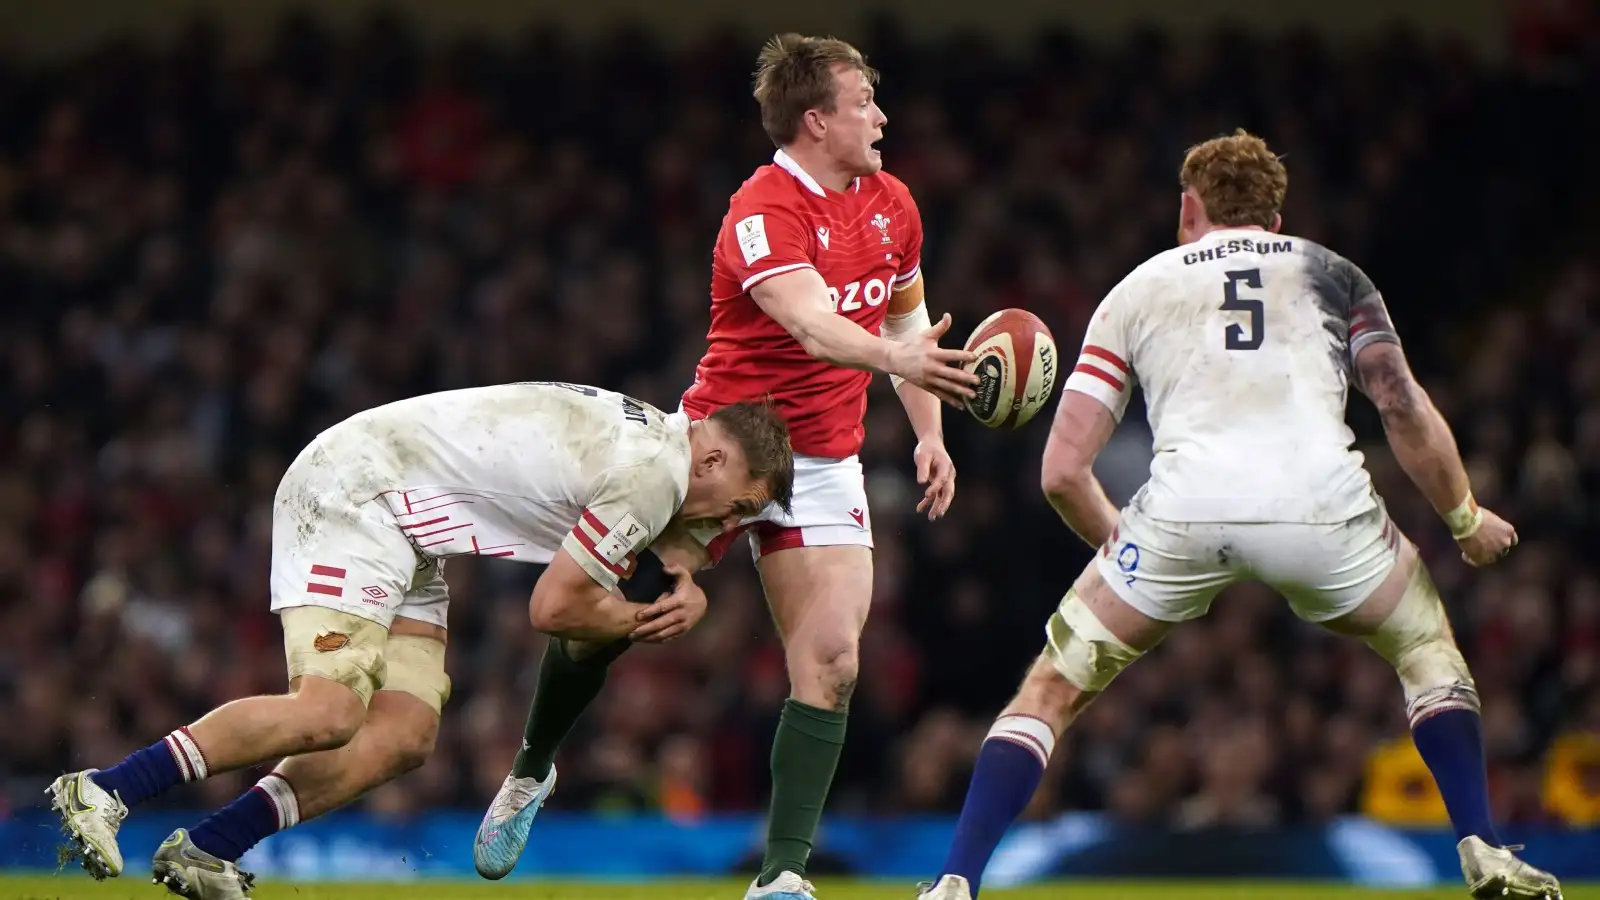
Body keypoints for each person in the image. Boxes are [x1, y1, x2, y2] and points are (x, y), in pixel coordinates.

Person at [916, 131, 1563, 900]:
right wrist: (1464, 518)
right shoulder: (1333, 274)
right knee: (1425, 648)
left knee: (1049, 691)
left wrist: (1126, 552)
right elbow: (1400, 403)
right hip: (1321, 507)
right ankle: (1482, 847)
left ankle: (955, 880)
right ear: (1276, 220)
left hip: (1184, 513)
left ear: (1188, 209)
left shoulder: (1137, 290)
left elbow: (1061, 473)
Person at [474, 34, 980, 900]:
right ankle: (532, 768)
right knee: (605, 616)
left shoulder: (893, 204)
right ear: (816, 120)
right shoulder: (761, 210)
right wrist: (899, 363)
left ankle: (779, 877)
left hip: (824, 464)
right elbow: (814, 326)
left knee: (834, 662)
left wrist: (929, 433)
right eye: (864, 103)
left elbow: (908, 327)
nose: (881, 118)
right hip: (722, 451)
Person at [50, 382, 794, 900]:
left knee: (405, 733)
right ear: (716, 460)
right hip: (358, 492)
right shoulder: (652, 476)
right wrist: (643, 622)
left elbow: (667, 542)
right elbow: (553, 608)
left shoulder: (662, 449)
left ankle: (210, 847)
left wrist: (689, 583)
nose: (728, 524)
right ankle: (109, 788)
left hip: (409, 526)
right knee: (330, 711)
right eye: (740, 507)